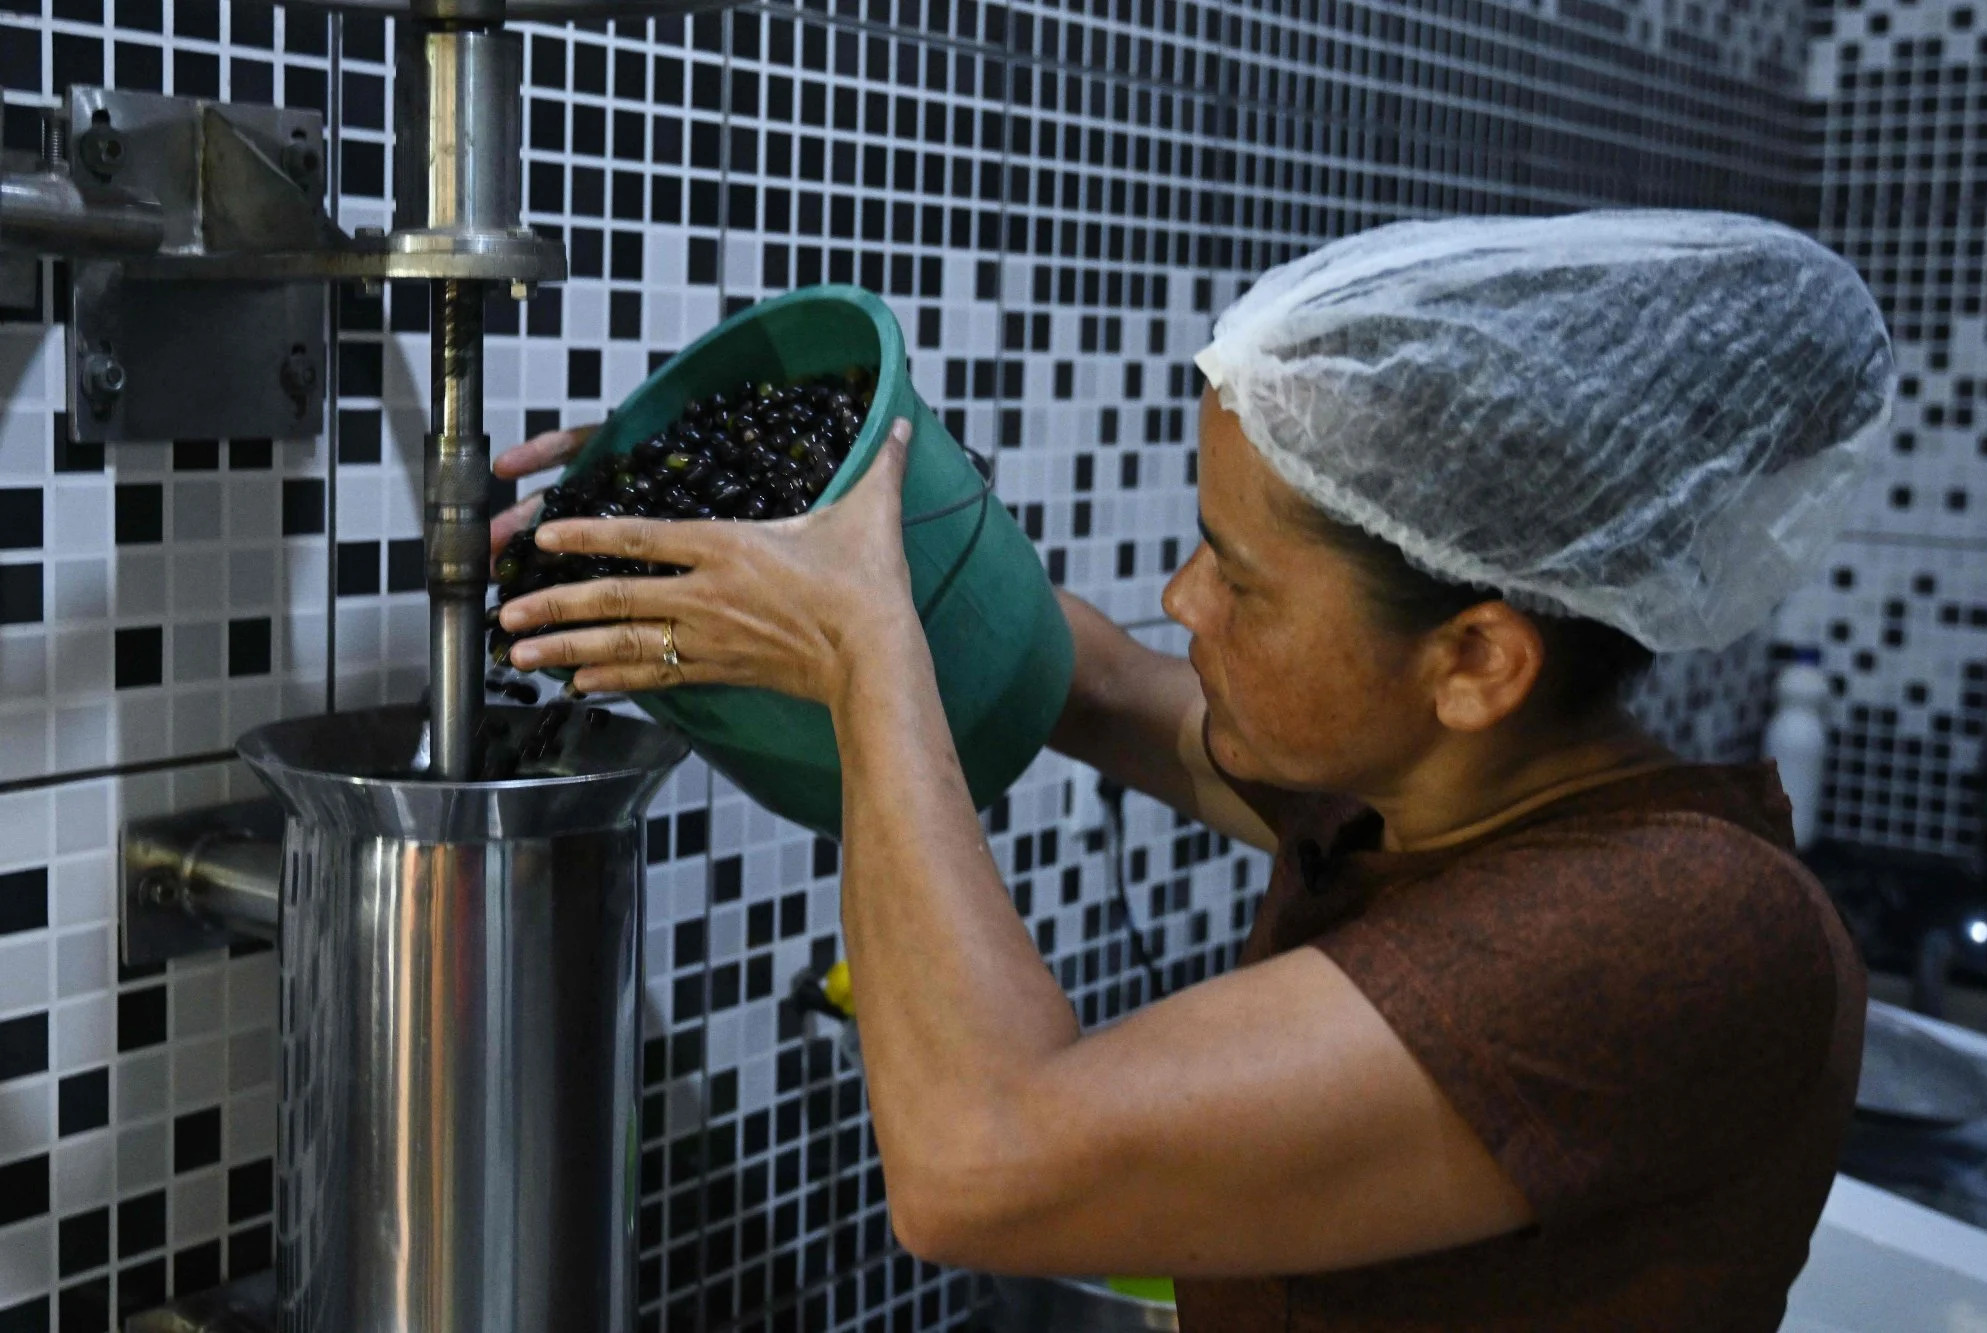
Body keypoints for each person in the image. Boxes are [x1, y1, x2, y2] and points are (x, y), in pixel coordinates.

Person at [487, 210, 1894, 1331]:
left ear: (1479, 659)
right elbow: (1079, 679)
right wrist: (709, 529)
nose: (1180, 596)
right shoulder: (1442, 794)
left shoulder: (1677, 928)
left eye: (1243, 577)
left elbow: (982, 1164)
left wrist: (865, 656)